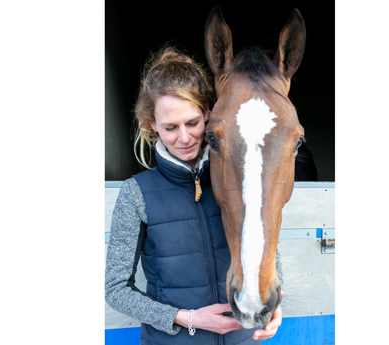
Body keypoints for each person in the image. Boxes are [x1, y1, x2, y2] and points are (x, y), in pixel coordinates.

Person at [105, 47, 284, 345]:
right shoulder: (137, 192)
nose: (184, 138)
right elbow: (115, 289)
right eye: (170, 127)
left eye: (192, 122)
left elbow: (267, 249)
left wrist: (276, 301)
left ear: (207, 113)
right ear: (153, 125)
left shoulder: (238, 177)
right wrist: (188, 318)